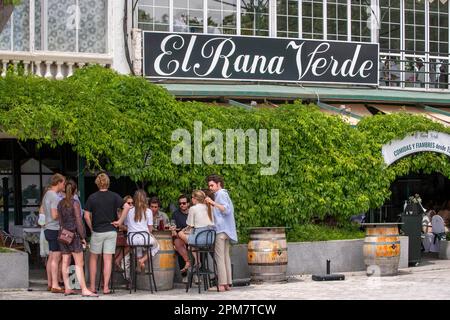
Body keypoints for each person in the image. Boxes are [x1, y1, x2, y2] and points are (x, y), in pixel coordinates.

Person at [84, 173, 124, 295]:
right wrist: (120, 221)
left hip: (97, 231)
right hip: (111, 231)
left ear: (97, 182)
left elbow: (86, 216)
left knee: (93, 259)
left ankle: (92, 287)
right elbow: (127, 206)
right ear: (108, 182)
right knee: (107, 260)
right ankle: (106, 287)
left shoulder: (92, 197)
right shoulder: (114, 196)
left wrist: (91, 228)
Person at [58, 180, 98, 297]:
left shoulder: (60, 203)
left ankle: (67, 288)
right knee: (79, 264)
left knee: (65, 261)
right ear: (75, 190)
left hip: (63, 234)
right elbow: (79, 221)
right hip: (74, 236)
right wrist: (83, 236)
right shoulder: (75, 203)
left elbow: (60, 221)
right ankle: (84, 289)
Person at [112, 189, 159, 271]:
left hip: (131, 240)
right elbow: (150, 229)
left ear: (134, 199)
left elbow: (127, 225)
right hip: (144, 238)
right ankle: (142, 260)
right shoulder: (148, 211)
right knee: (157, 246)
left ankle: (139, 261)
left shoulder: (129, 211)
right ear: (145, 199)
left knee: (138, 244)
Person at [205, 174, 237, 292]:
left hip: (221, 230)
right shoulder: (223, 194)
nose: (210, 188)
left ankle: (222, 284)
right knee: (225, 257)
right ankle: (228, 283)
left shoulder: (220, 194)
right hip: (226, 230)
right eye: (209, 186)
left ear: (218, 184)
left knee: (219, 257)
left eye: (212, 185)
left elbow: (226, 209)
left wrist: (212, 203)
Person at [178, 190, 215, 266]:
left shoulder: (193, 208)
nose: (191, 200)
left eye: (192, 198)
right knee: (191, 240)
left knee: (180, 233)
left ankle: (197, 260)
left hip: (199, 238)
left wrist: (184, 230)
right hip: (211, 238)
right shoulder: (210, 206)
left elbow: (190, 225)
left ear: (195, 199)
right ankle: (195, 257)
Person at [42, 173, 66, 293]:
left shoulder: (47, 194)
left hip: (48, 228)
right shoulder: (55, 197)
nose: (64, 185)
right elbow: (54, 215)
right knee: (56, 258)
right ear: (59, 182)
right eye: (63, 183)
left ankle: (50, 283)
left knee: (51, 257)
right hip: (55, 228)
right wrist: (64, 214)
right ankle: (56, 285)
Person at [170, 194, 190, 273]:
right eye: (180, 203)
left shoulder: (192, 212)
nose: (181, 205)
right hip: (180, 237)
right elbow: (173, 225)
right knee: (177, 242)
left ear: (188, 203)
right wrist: (173, 229)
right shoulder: (176, 214)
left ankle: (195, 270)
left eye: (184, 203)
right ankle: (187, 264)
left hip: (191, 236)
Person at [114, 195, 132, 275]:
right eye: (128, 203)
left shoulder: (133, 213)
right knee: (129, 245)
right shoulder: (119, 212)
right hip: (119, 237)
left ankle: (127, 280)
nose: (130, 205)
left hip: (125, 238)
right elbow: (119, 226)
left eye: (132, 203)